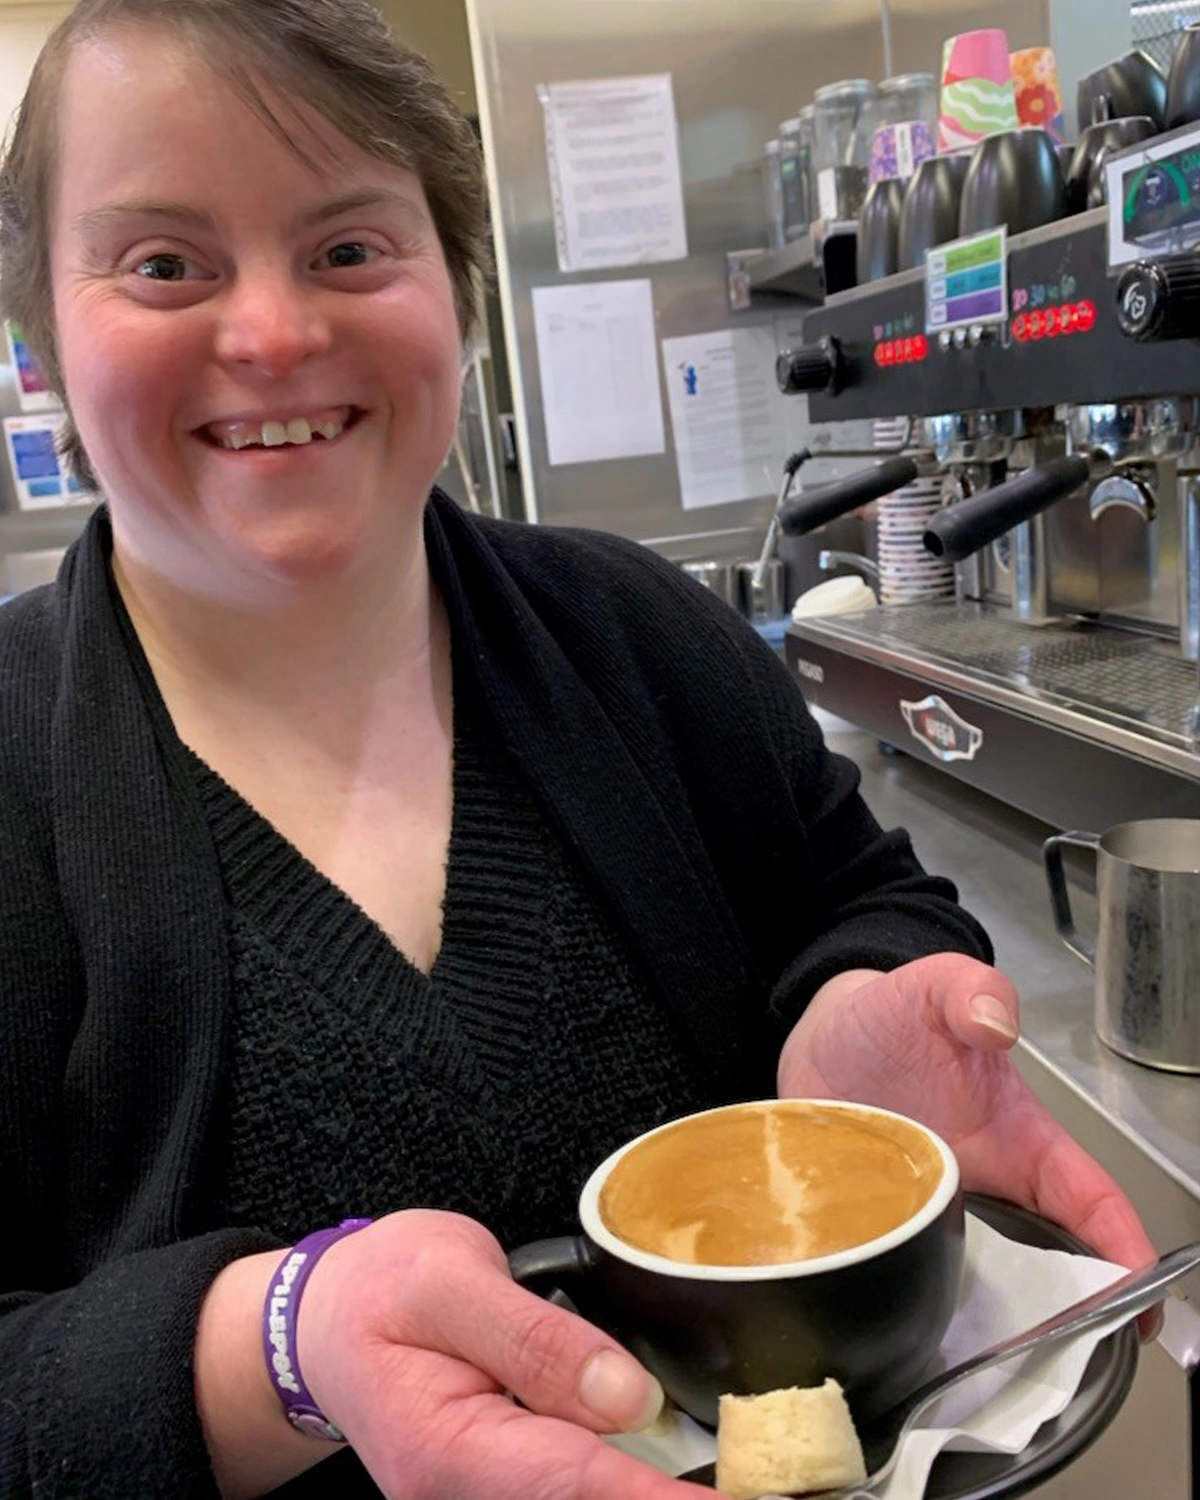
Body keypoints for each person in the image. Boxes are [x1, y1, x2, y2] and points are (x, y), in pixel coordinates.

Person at [0, 1, 1154, 1496]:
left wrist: (842, 1022)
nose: (276, 332)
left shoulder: (637, 634)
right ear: (40, 332)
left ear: (454, 294)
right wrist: (276, 1346)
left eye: (350, 247)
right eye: (164, 263)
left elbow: (855, 900)